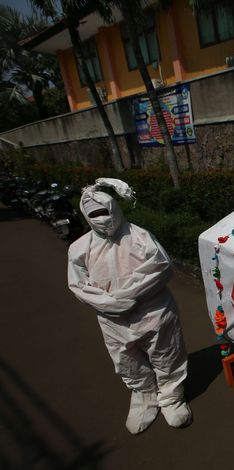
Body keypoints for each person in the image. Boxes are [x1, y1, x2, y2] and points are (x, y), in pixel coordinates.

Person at [67, 178, 191, 434]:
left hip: (153, 312)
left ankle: (171, 398)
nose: (102, 218)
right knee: (127, 361)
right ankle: (145, 398)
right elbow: (78, 284)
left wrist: (130, 294)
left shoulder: (140, 236)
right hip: (113, 321)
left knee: (167, 354)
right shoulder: (79, 248)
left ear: (115, 207)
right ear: (86, 216)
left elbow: (161, 267)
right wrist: (110, 303)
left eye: (105, 211)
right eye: (95, 215)